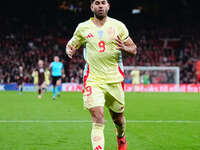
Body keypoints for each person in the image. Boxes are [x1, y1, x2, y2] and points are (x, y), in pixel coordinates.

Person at [66, 0, 137, 149]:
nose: (100, 5)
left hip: (115, 80)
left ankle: (121, 137)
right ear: (92, 6)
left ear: (108, 6)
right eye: (97, 3)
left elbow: (134, 49)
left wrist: (125, 47)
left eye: (103, 2)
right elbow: (71, 44)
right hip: (93, 80)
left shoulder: (118, 26)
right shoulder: (83, 28)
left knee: (118, 120)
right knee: (98, 118)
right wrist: (69, 49)